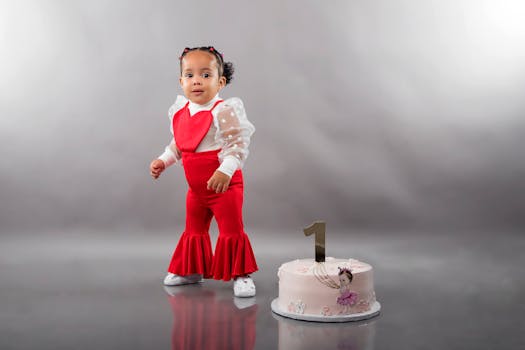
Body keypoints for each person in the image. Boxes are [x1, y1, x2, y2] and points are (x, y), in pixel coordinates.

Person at [149, 46, 257, 297]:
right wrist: (163, 161)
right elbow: (178, 145)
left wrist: (225, 170)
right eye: (190, 75)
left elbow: (236, 146)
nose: (196, 80)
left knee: (231, 230)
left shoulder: (224, 111)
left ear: (220, 82)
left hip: (224, 187)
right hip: (196, 191)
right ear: (181, 81)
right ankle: (192, 269)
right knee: (194, 229)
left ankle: (241, 275)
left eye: (206, 75)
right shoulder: (180, 112)